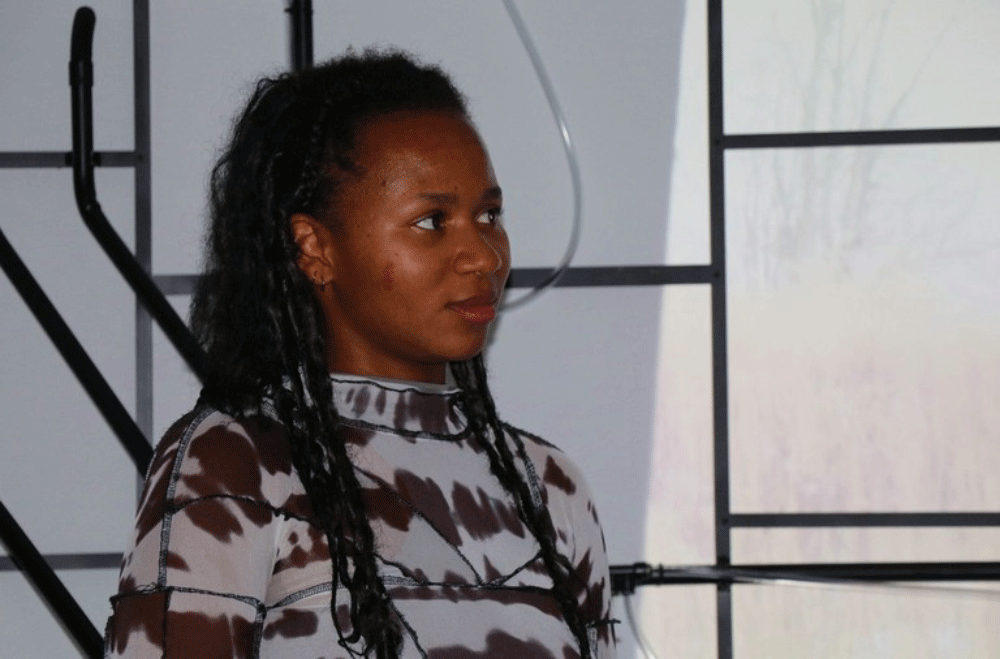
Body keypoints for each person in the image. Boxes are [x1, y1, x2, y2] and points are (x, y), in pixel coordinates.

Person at [105, 50, 616, 659]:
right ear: (314, 247)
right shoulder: (236, 465)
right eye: (432, 221)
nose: (483, 255)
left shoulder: (550, 486)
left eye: (489, 214)